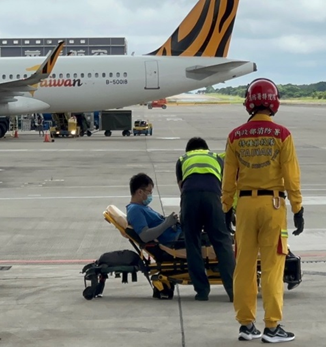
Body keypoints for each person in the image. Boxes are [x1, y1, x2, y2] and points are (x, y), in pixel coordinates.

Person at [221, 78, 304, 343]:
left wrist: (225, 207)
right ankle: (272, 326)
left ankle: (246, 325)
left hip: (244, 206)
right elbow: (291, 177)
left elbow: (228, 178)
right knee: (272, 267)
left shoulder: (235, 136)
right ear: (274, 102)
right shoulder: (283, 135)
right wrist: (298, 207)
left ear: (249, 103)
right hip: (273, 205)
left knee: (243, 266)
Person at [176, 137, 236, 302]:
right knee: (222, 242)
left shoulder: (182, 160)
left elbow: (182, 188)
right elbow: (224, 186)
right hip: (213, 198)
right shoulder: (216, 158)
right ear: (206, 148)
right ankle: (233, 291)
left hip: (190, 198)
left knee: (193, 243)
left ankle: (202, 291)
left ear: (189, 151)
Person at [126, 173, 181, 247]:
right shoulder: (134, 210)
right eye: (149, 192)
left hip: (179, 235)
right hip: (176, 239)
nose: (151, 195)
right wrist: (167, 223)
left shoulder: (142, 207)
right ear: (140, 192)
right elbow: (145, 236)